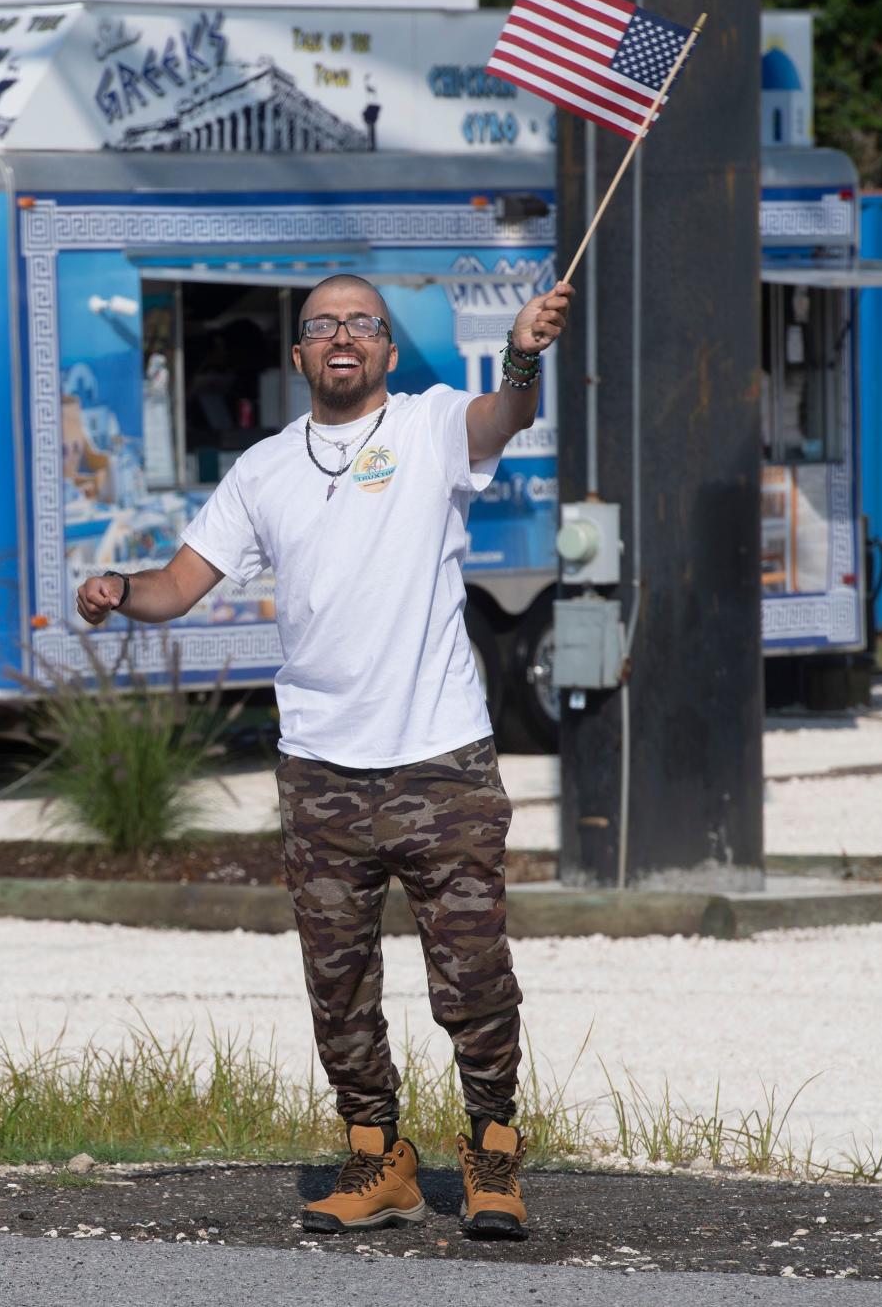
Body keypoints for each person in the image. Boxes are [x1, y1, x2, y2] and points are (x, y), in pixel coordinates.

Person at [76, 272, 573, 1240]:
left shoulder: (430, 429)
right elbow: (180, 583)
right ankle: (377, 1160)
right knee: (338, 989)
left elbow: (507, 414)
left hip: (441, 764)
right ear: (298, 354)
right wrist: (116, 589)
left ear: (388, 351)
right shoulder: (263, 471)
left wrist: (521, 352)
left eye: (362, 325)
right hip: (320, 776)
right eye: (322, 326)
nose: (342, 337)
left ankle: (493, 1156)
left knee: (472, 977)